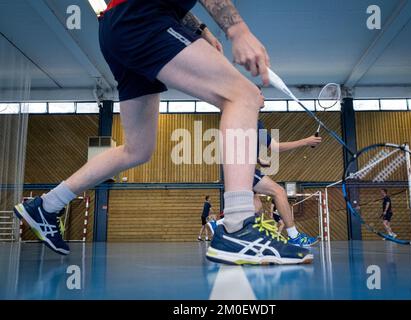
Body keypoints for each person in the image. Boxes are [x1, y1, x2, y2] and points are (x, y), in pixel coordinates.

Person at [14, 0, 311, 264]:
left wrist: (202, 29)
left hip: (119, 28)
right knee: (245, 95)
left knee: (137, 149)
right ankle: (237, 226)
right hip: (143, 19)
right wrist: (239, 32)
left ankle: (47, 205)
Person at [252, 120, 321, 247]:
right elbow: (276, 147)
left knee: (256, 207)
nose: (263, 100)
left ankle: (224, 228)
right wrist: (306, 141)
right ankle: (294, 236)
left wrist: (258, 159)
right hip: (242, 168)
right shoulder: (253, 121)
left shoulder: (252, 121)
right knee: (278, 191)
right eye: (261, 98)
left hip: (236, 168)